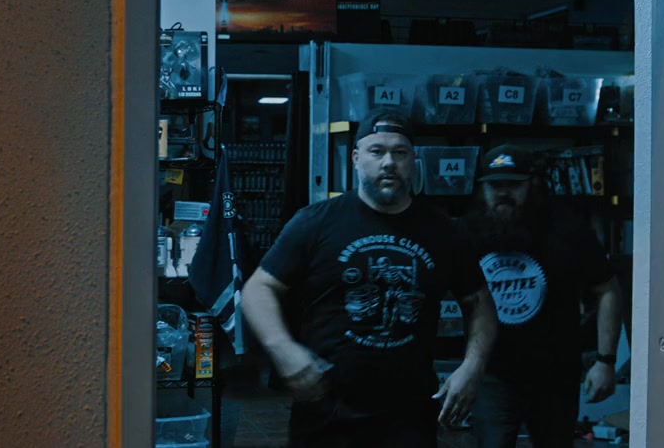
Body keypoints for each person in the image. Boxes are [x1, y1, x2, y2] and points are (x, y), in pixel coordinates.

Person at [241, 109, 498, 448]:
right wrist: (282, 348)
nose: (389, 162)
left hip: (408, 416)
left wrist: (472, 367)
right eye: (377, 151)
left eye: (400, 152)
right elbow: (258, 288)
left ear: (413, 160)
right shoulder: (315, 222)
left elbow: (479, 301)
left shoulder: (444, 231)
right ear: (356, 158)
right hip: (327, 411)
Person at [462, 144, 624, 448]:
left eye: (513, 185)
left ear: (532, 185)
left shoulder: (566, 228)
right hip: (492, 374)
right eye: (495, 186)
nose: (503, 193)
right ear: (482, 189)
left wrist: (605, 361)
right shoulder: (468, 233)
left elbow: (607, 289)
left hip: (555, 374)